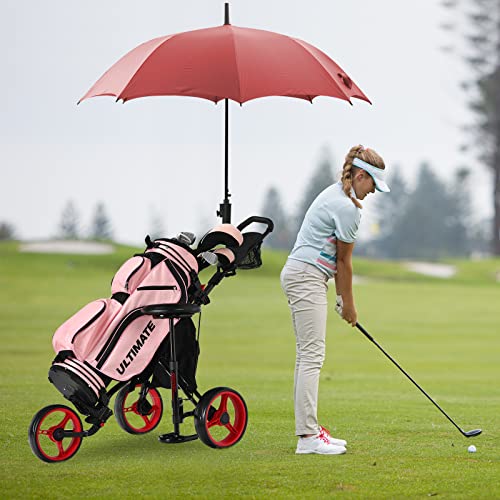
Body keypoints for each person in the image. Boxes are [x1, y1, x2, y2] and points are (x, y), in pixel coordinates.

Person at [280, 144, 390, 455]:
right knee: (311, 356)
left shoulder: (336, 195)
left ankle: (311, 430)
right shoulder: (347, 208)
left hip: (305, 274)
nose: (373, 191)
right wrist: (349, 306)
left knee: (308, 355)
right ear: (360, 175)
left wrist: (342, 299)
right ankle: (307, 438)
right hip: (306, 276)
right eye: (373, 184)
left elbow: (338, 262)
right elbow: (344, 262)